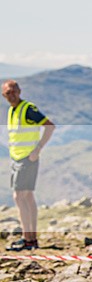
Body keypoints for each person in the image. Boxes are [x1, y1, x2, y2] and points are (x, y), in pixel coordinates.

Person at [2, 80, 55, 251]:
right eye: (8, 93)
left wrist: (38, 149)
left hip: (27, 158)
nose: (12, 95)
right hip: (17, 158)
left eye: (14, 91)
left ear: (19, 91)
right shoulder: (12, 111)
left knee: (20, 197)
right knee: (27, 197)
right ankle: (31, 239)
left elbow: (49, 126)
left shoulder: (28, 109)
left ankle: (28, 239)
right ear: (4, 95)